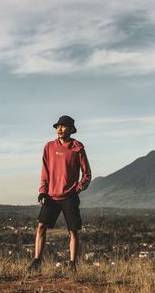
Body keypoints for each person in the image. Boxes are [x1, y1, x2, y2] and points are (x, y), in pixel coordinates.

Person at [28, 115, 92, 272]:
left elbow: (87, 174)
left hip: (69, 197)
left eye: (63, 126)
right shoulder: (49, 147)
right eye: (58, 127)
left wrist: (77, 189)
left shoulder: (77, 148)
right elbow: (45, 171)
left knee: (73, 230)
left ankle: (72, 265)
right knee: (41, 226)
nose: (59, 129)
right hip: (51, 196)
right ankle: (36, 261)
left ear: (71, 129)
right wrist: (43, 191)